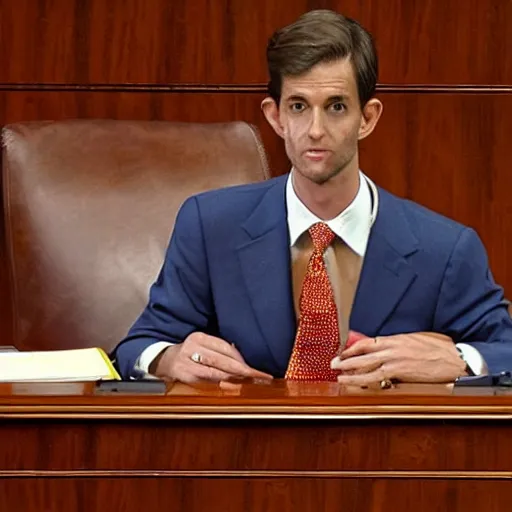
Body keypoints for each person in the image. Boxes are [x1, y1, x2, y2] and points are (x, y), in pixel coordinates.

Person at [113, 9, 512, 386]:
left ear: (367, 118)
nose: (315, 130)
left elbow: (504, 351)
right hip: (246, 450)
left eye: (336, 107)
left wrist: (461, 360)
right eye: (299, 106)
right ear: (276, 117)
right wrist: (169, 357)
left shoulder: (444, 249)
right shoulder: (209, 226)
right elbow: (136, 348)